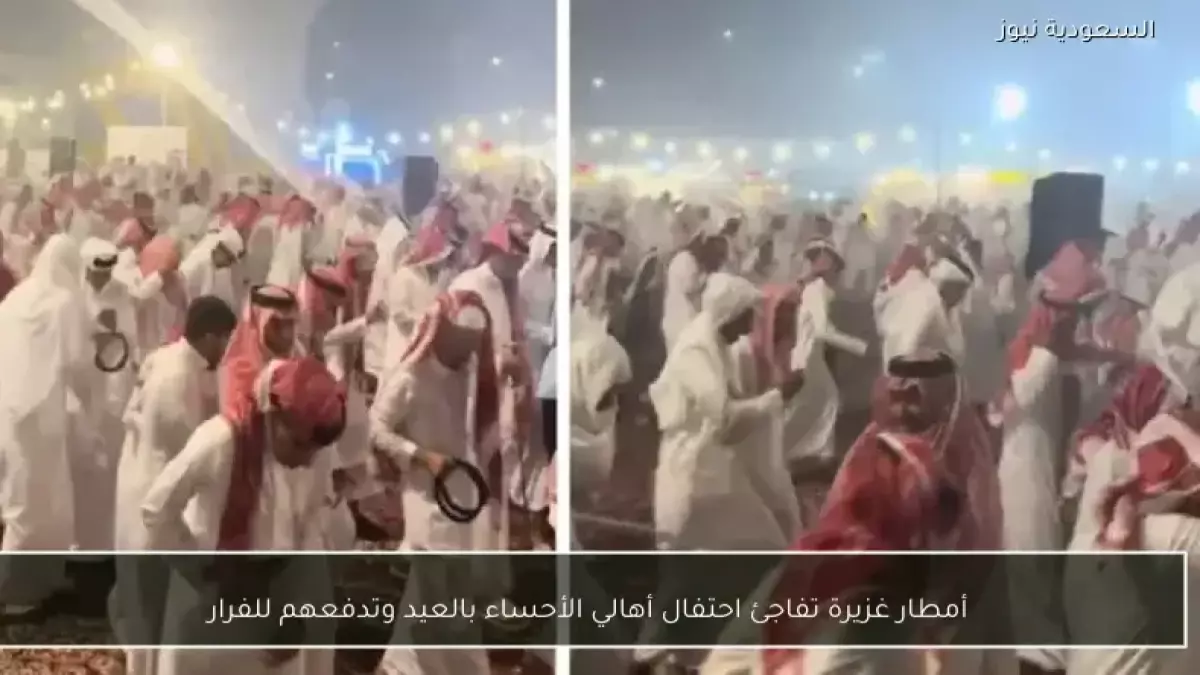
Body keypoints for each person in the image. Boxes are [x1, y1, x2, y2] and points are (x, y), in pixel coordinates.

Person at [142, 356, 344, 675]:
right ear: (274, 415)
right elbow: (157, 509)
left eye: (314, 451)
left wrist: (295, 608)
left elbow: (308, 528)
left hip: (273, 607)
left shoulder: (314, 448)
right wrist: (202, 573)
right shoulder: (220, 440)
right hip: (208, 600)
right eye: (298, 445)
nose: (307, 460)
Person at [371, 290, 500, 675]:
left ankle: (403, 664)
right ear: (442, 334)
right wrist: (421, 456)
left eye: (474, 342)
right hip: (425, 498)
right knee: (434, 593)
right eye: (462, 340)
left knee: (444, 596)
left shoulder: (469, 370)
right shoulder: (410, 377)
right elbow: (377, 429)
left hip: (460, 498)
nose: (469, 349)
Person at [649, 272, 805, 551]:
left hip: (714, 468)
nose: (748, 329)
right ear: (730, 314)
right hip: (691, 467)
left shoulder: (715, 343)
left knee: (762, 541)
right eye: (746, 319)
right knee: (682, 548)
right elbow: (724, 418)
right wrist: (777, 396)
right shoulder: (696, 350)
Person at [0, 235, 91, 614]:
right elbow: (78, 361)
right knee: (41, 507)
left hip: (10, 412)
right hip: (43, 418)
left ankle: (40, 581)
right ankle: (12, 593)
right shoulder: (65, 302)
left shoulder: (16, 298)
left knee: (21, 503)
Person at [75, 238, 139, 551]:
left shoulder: (121, 292)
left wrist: (114, 331)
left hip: (114, 382)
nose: (103, 279)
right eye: (98, 273)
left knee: (112, 455)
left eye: (107, 273)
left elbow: (131, 338)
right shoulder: (73, 294)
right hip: (84, 385)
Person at [179, 225, 245, 312]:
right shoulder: (198, 262)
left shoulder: (219, 269)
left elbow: (225, 298)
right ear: (220, 250)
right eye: (229, 259)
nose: (228, 264)